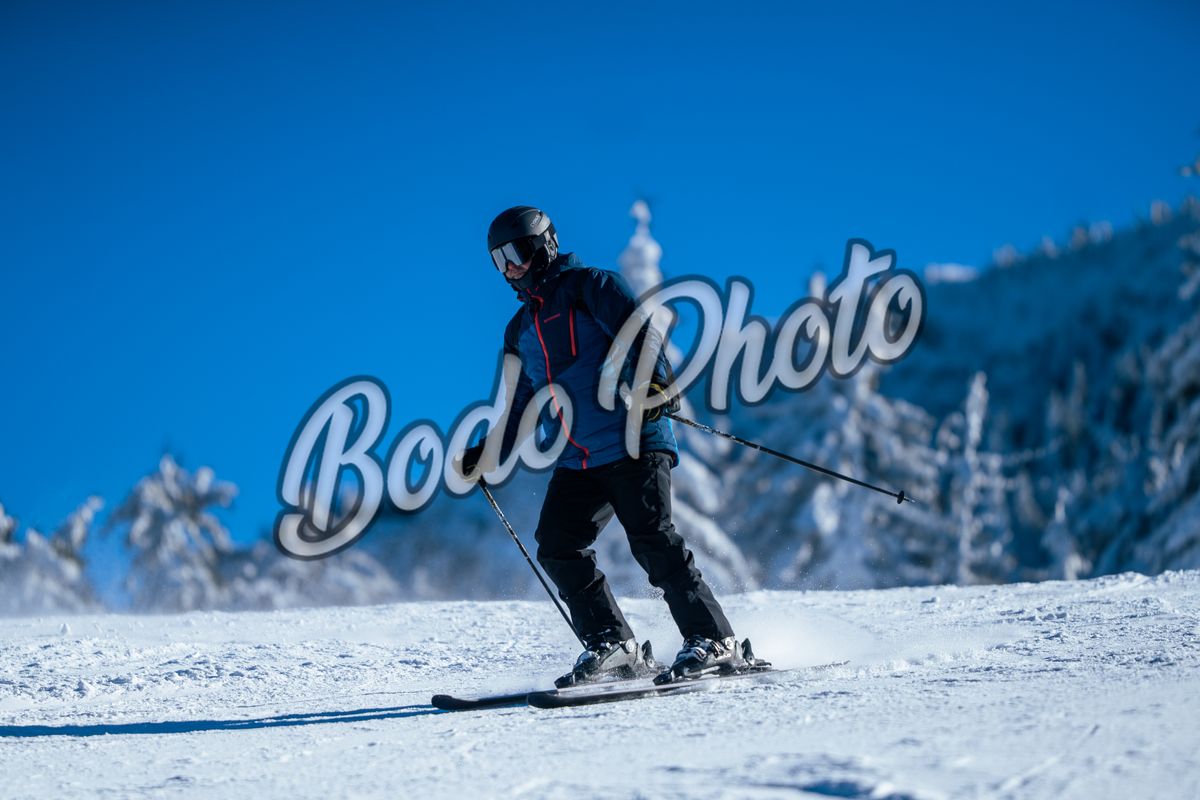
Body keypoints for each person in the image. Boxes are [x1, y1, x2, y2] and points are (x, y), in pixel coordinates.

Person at [453, 205, 742, 687]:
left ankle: (714, 639)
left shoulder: (591, 286)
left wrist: (655, 386)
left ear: (544, 245)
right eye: (499, 260)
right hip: (579, 459)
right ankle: (613, 644)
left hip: (634, 440)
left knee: (652, 539)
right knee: (557, 545)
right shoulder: (518, 330)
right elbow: (521, 405)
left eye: (516, 253)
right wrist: (487, 455)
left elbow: (640, 335)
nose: (510, 268)